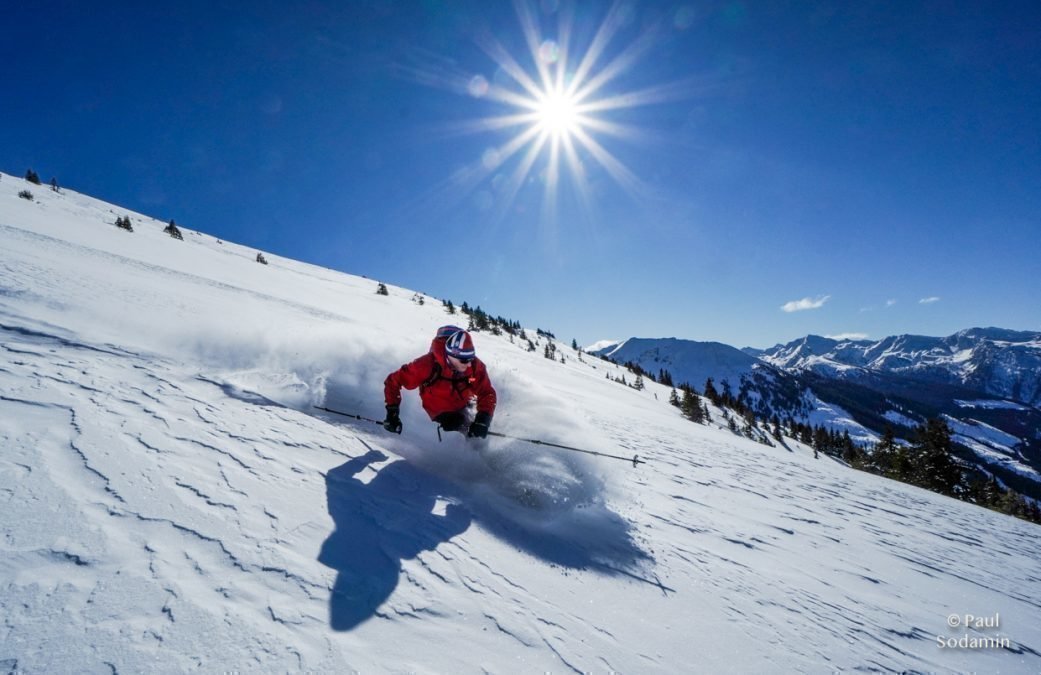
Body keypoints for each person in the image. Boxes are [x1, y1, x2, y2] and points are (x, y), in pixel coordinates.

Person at [383, 327, 497, 438]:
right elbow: (393, 382)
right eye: (464, 360)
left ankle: (481, 449)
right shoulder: (425, 365)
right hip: (440, 410)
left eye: (471, 358)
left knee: (478, 426)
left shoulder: (475, 366)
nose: (469, 364)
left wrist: (484, 418)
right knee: (459, 427)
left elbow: (487, 392)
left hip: (465, 402)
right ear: (451, 355)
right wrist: (392, 413)